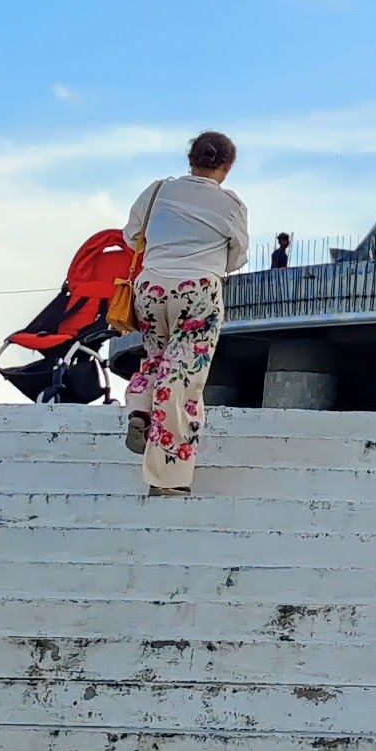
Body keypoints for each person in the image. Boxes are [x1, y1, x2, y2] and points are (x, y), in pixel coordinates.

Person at [122, 133, 250, 498]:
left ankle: (140, 409)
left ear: (190, 158)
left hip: (150, 288)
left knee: (156, 358)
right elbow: (237, 257)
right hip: (198, 290)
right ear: (227, 167)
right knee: (183, 378)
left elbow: (133, 236)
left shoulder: (159, 190)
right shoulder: (231, 205)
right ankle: (168, 476)